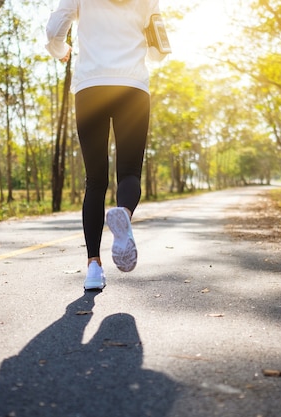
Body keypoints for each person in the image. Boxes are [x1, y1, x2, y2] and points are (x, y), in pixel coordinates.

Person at [45, 0, 169, 290]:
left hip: (91, 87)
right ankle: (123, 214)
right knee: (129, 174)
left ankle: (93, 269)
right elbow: (160, 48)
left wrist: (61, 51)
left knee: (95, 181)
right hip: (133, 87)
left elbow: (54, 31)